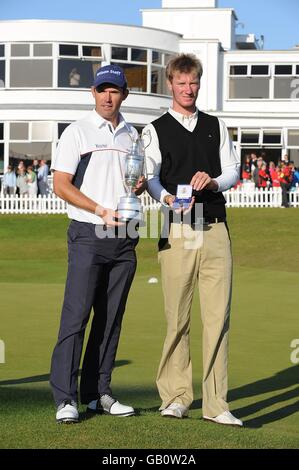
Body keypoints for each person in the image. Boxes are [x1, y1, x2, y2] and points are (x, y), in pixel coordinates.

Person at [143, 53, 242, 426]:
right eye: (181, 83)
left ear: (199, 83)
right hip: (177, 229)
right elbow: (150, 177)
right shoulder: (154, 129)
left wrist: (214, 181)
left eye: (193, 83)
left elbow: (232, 170)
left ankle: (216, 404)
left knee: (218, 319)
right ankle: (176, 396)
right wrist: (166, 197)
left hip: (215, 228)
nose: (188, 89)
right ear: (170, 83)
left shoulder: (216, 125)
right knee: (178, 319)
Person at [50, 64, 144, 424]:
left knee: (110, 319)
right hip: (89, 232)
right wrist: (98, 209)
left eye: (115, 90)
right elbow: (61, 184)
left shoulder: (132, 136)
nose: (108, 96)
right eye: (102, 89)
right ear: (93, 93)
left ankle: (98, 393)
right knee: (76, 317)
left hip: (123, 236)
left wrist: (136, 188)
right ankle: (65, 398)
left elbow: (134, 182)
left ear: (124, 95)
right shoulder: (78, 132)